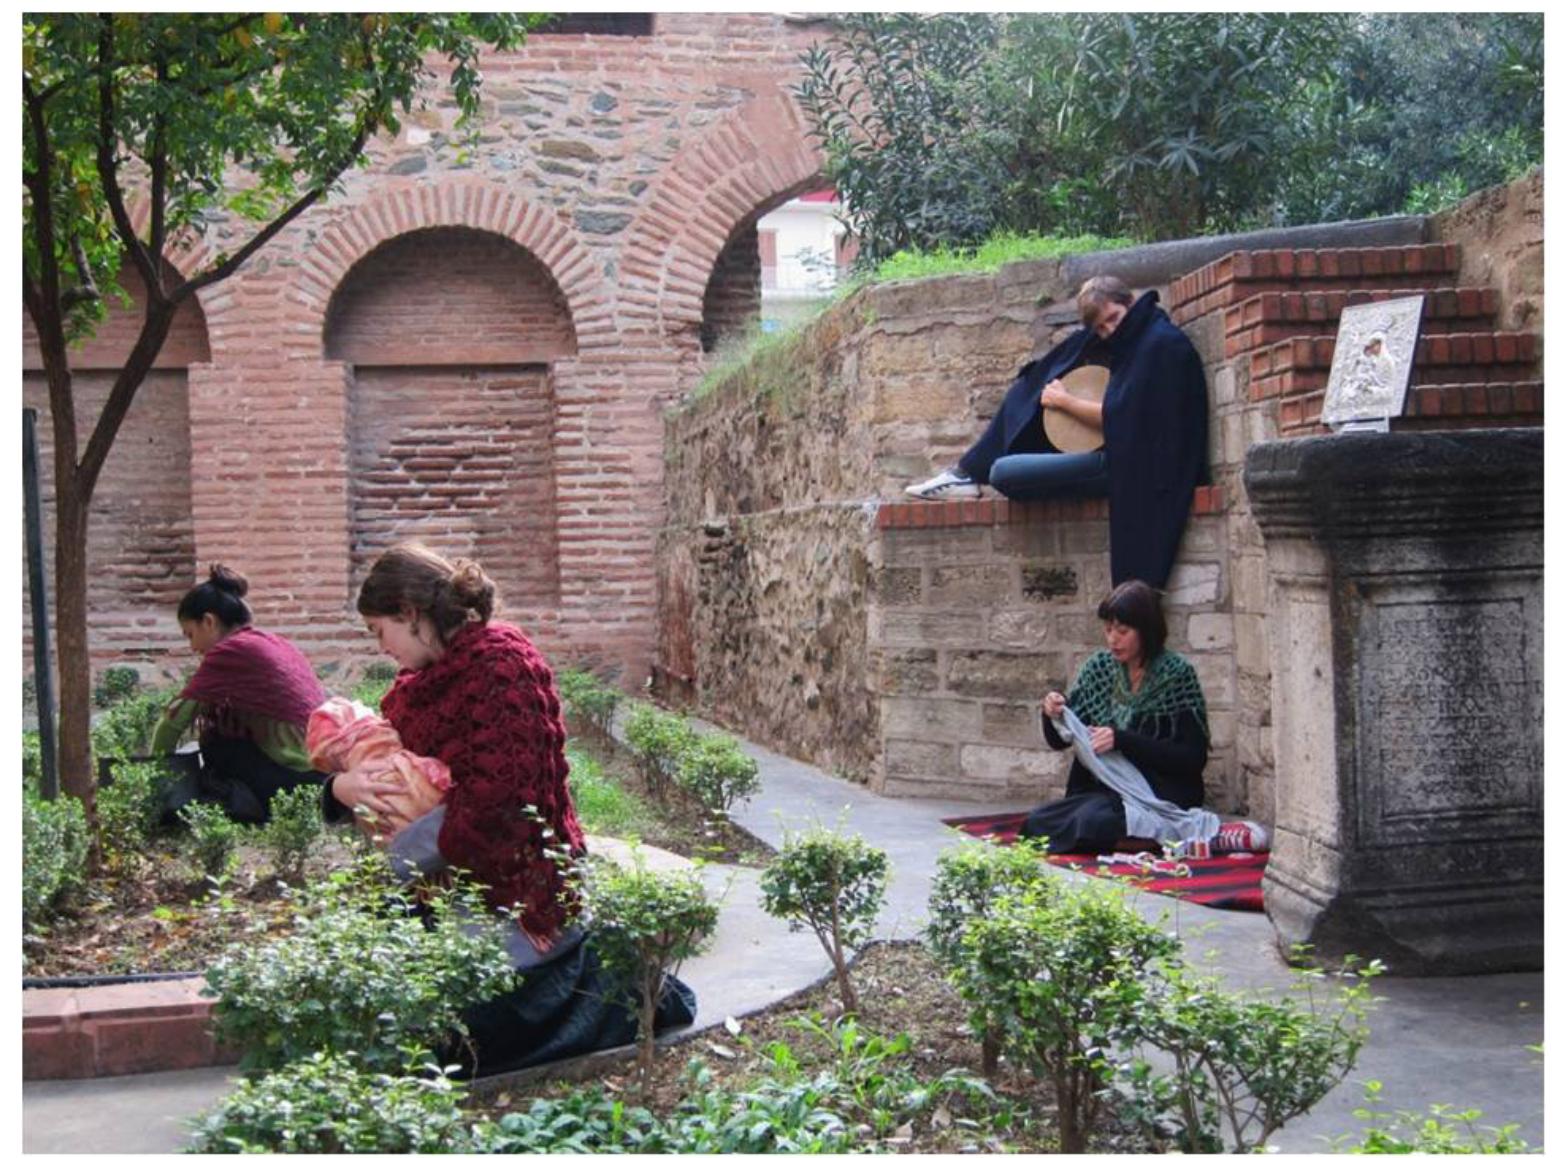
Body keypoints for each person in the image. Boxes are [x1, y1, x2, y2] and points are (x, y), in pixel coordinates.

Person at [324, 542, 695, 1075]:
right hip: (441, 886)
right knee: (373, 1006)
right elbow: (395, 768)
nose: (383, 649)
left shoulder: (502, 665)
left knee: (458, 1045)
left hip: (517, 897)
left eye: (380, 632)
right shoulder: (416, 686)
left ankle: (614, 994)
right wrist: (345, 787)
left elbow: (500, 807)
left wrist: (396, 857)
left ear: (409, 613)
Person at [904, 275, 1209, 590]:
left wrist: (1065, 401)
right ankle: (966, 473)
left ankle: (974, 474)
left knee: (1005, 473)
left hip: (1139, 468)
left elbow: (1124, 418)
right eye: (1101, 328)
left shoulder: (1159, 345)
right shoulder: (1140, 339)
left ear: (1129, 302)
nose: (1110, 331)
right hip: (1125, 456)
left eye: (1113, 319)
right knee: (1036, 384)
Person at [1019, 580, 1267, 855]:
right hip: (1108, 790)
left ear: (1146, 632)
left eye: (1123, 631)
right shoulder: (1099, 669)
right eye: (1108, 629)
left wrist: (1122, 740)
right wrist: (1051, 713)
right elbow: (1061, 740)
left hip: (1159, 790)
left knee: (1092, 824)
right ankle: (1176, 838)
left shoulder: (1176, 676)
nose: (1113, 639)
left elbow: (1191, 758)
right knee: (1037, 824)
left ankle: (1188, 837)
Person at [151, 564, 329, 823]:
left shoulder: (230, 652)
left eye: (190, 634)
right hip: (319, 776)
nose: (191, 646)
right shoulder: (271, 641)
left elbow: (172, 723)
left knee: (219, 744)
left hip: (293, 779)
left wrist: (152, 778)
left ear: (209, 622)